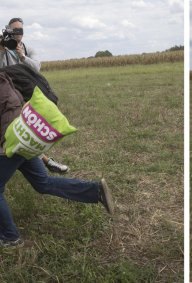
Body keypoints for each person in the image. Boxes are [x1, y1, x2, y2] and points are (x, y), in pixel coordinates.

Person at [0, 68, 114, 248]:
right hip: (24, 138)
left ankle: (10, 237)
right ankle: (95, 191)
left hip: (9, 144)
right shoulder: (4, 77)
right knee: (43, 183)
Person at [0, 17, 69, 174]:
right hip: (6, 96)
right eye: (14, 30)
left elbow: (37, 67)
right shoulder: (3, 47)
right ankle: (46, 161)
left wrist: (23, 57)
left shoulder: (27, 49)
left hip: (23, 94)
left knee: (25, 129)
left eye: (20, 30)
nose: (18, 34)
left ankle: (40, 161)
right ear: (8, 31)